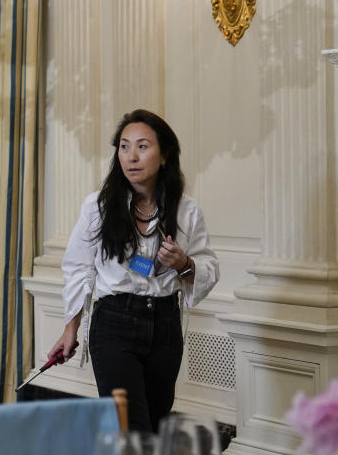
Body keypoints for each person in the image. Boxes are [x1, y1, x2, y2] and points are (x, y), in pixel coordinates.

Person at [46, 109, 219, 432]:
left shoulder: (186, 209)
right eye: (124, 147)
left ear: (164, 155)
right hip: (114, 323)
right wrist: (70, 329)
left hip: (165, 328)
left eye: (142, 146)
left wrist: (184, 264)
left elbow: (208, 266)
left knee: (153, 428)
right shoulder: (97, 206)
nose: (131, 157)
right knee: (129, 427)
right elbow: (78, 269)